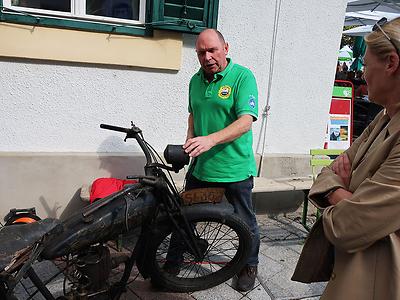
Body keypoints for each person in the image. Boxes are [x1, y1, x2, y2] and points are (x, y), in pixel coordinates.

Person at [292, 17, 400, 299]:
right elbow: (329, 170)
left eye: (365, 64)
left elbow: (348, 225)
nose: (362, 74)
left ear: (391, 63)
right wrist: (348, 192)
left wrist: (336, 190)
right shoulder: (385, 115)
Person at [183, 28, 260, 292]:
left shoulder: (242, 77)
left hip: (235, 169)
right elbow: (193, 114)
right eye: (201, 52)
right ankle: (170, 263)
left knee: (245, 222)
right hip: (202, 166)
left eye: (212, 50)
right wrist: (191, 139)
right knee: (184, 217)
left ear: (225, 48)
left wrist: (210, 140)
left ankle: (249, 265)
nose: (207, 57)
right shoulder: (195, 81)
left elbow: (245, 122)